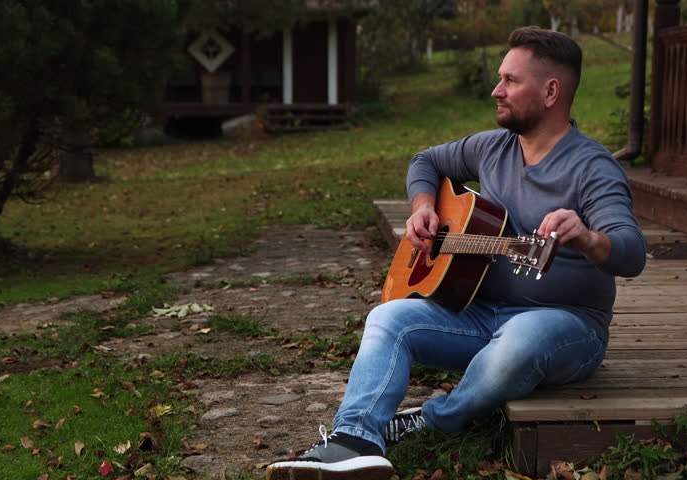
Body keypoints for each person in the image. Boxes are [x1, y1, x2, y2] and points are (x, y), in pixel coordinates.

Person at [265, 26, 647, 480]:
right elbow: (425, 161)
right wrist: (424, 206)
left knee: (519, 343)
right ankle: (355, 439)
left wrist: (588, 237)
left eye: (510, 80)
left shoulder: (593, 167)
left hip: (568, 327)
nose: (496, 89)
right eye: (500, 78)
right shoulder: (492, 148)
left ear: (550, 92)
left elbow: (632, 252)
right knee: (388, 318)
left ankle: (434, 418)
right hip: (480, 315)